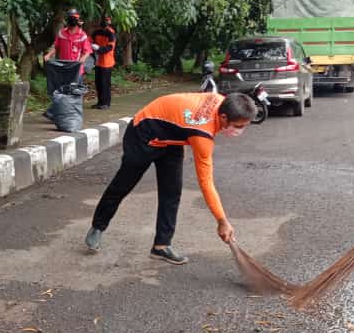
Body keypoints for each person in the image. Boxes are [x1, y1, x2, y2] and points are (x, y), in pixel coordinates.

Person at [84, 91, 257, 264]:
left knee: (172, 191)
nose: (240, 130)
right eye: (239, 126)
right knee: (123, 185)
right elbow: (206, 182)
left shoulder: (223, 104)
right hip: (143, 135)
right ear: (224, 117)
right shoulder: (201, 134)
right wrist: (222, 220)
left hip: (173, 139)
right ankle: (98, 226)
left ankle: (161, 246)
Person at [91, 14, 117, 109]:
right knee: (98, 83)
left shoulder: (111, 33)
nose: (106, 22)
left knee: (105, 83)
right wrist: (92, 46)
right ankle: (100, 102)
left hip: (107, 62)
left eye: (108, 20)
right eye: (105, 20)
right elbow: (91, 41)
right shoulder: (96, 32)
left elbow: (110, 47)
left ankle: (106, 103)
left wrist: (98, 49)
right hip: (98, 61)